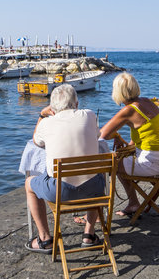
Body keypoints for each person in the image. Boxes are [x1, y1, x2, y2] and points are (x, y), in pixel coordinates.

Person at [24, 84, 104, 253]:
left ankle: (45, 239)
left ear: (52, 107)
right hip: (94, 191)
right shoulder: (89, 115)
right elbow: (98, 136)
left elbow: (37, 141)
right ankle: (89, 235)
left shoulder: (46, 123)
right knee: (94, 174)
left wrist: (41, 115)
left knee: (29, 184)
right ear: (76, 103)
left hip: (60, 193)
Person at [100, 73, 159, 217]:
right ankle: (133, 202)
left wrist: (116, 135)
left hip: (153, 163)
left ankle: (127, 204)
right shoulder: (147, 102)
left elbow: (103, 134)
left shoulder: (129, 110)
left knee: (113, 165)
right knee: (120, 161)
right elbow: (146, 133)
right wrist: (120, 137)